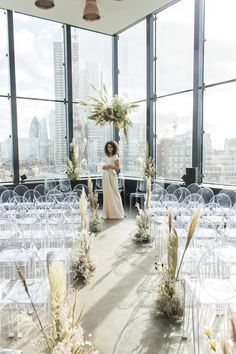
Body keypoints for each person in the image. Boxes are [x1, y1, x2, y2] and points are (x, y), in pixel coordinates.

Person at [102, 141, 125, 219]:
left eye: (111, 147)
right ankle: (108, 213)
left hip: (112, 175)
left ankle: (118, 212)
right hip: (105, 175)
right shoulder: (107, 156)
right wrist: (104, 167)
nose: (109, 148)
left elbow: (118, 168)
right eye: (108, 147)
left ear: (114, 147)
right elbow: (107, 166)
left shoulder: (115, 156)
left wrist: (108, 166)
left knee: (115, 193)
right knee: (107, 194)